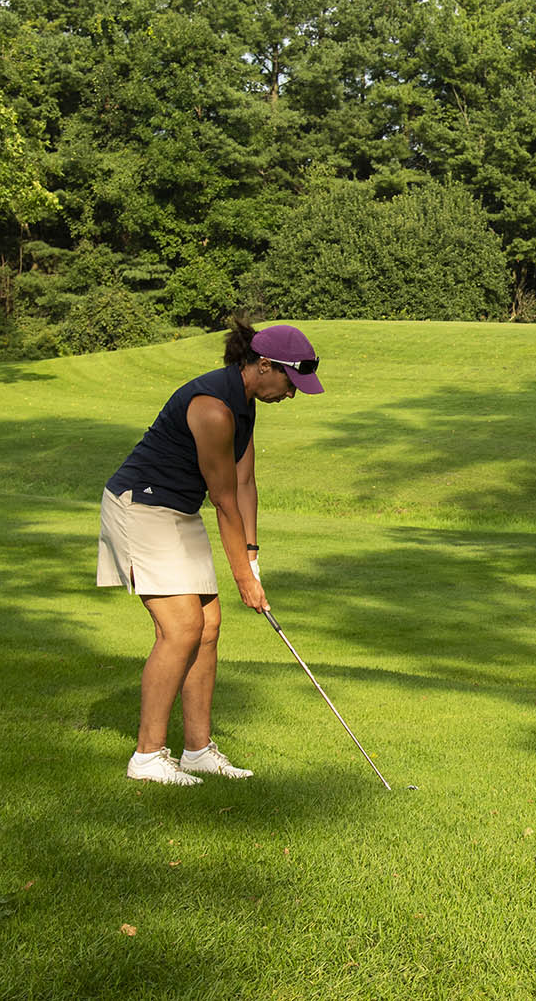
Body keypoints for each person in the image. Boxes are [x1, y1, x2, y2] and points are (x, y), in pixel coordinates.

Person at [96, 319, 324, 785]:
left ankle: (198, 750)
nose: (291, 393)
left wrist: (253, 555)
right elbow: (222, 500)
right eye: (289, 382)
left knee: (208, 626)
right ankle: (147, 757)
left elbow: (244, 483)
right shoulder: (213, 407)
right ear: (264, 366)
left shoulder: (244, 404)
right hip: (141, 507)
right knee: (181, 628)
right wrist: (243, 578)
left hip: (177, 512)